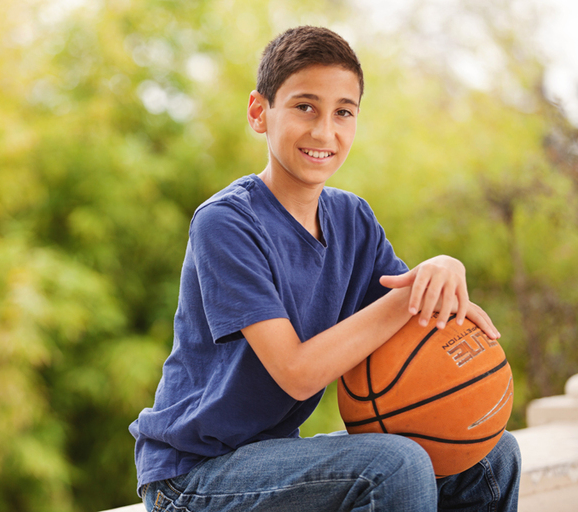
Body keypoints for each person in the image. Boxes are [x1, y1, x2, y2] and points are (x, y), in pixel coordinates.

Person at [129, 25, 521, 512]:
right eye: (304, 107)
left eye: (343, 113)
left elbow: (410, 327)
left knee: (489, 452)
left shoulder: (353, 219)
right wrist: (409, 295)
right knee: (395, 465)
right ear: (259, 112)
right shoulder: (226, 223)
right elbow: (296, 372)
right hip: (194, 476)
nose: (324, 131)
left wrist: (443, 273)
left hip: (276, 456)